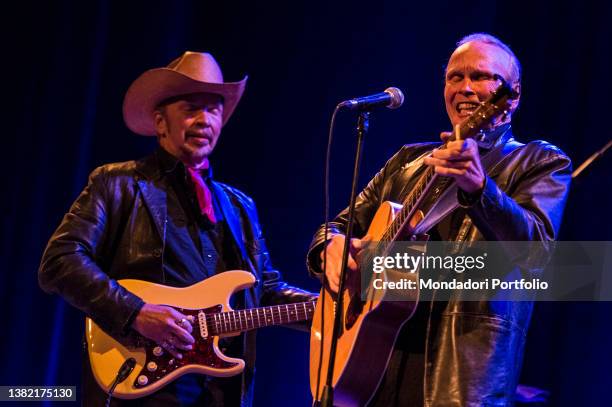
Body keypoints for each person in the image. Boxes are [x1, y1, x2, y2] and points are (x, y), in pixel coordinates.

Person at [306, 33, 572, 406]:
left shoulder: (538, 162)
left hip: (456, 382)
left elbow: (536, 253)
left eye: (480, 77)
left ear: (511, 97)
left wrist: (481, 190)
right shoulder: (408, 162)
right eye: (454, 77)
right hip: (374, 371)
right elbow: (339, 226)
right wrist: (329, 248)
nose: (465, 88)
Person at [39, 51, 315, 406]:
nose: (204, 120)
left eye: (214, 109)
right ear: (160, 122)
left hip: (219, 393)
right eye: (190, 108)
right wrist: (135, 312)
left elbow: (265, 291)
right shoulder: (118, 183)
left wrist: (331, 305)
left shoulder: (239, 206)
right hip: (141, 382)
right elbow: (59, 260)